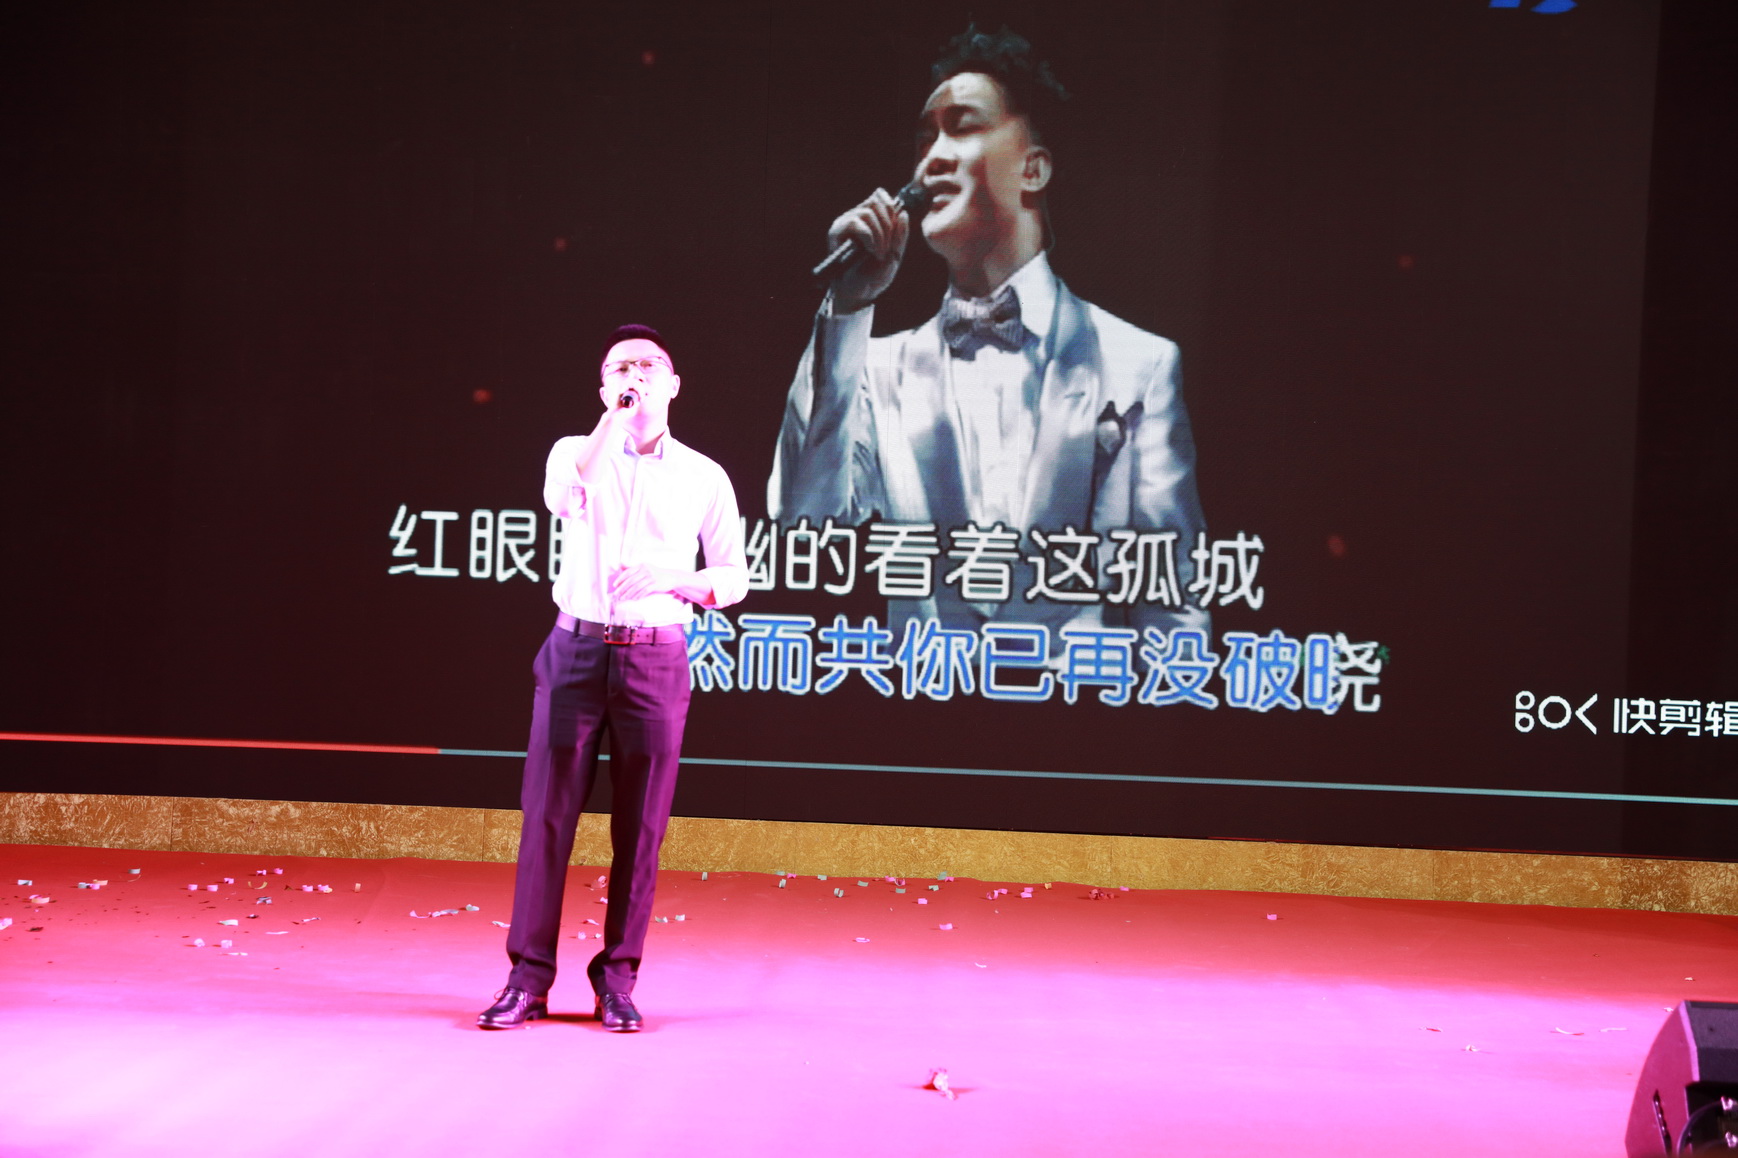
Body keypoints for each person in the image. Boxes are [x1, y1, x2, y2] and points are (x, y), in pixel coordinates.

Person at [768, 25, 1209, 640]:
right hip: (922, 693)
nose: (931, 159)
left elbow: (1174, 595)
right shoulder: (874, 367)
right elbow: (803, 531)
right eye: (925, 139)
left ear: (1034, 168)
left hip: (1080, 695)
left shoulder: (1139, 363)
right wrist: (848, 306)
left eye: (963, 127)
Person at [478, 324, 748, 1032]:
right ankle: (527, 979)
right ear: (604, 387)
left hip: (655, 658)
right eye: (620, 368)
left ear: (674, 384)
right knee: (546, 816)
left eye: (650, 365)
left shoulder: (704, 475)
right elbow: (565, 498)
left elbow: (733, 577)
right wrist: (610, 422)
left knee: (642, 825)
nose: (636, 375)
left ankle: (618, 981)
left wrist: (676, 579)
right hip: (575, 650)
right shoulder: (576, 451)